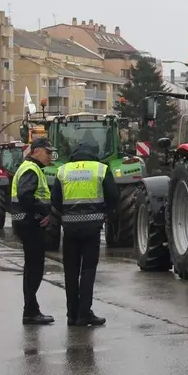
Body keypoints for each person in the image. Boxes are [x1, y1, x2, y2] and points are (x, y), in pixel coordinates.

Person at [51, 136, 118, 326]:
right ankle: (84, 314)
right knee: (88, 270)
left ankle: (71, 315)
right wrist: (106, 214)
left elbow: (55, 201)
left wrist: (64, 216)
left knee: (70, 271)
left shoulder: (63, 170)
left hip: (70, 228)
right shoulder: (101, 169)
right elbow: (113, 196)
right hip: (92, 227)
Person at [10, 137, 57, 325]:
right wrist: (43, 212)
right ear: (36, 151)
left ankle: (31, 309)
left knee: (32, 268)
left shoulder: (30, 168)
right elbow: (25, 195)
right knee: (34, 269)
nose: (50, 156)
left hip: (24, 222)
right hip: (30, 224)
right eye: (48, 152)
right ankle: (30, 311)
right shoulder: (31, 169)